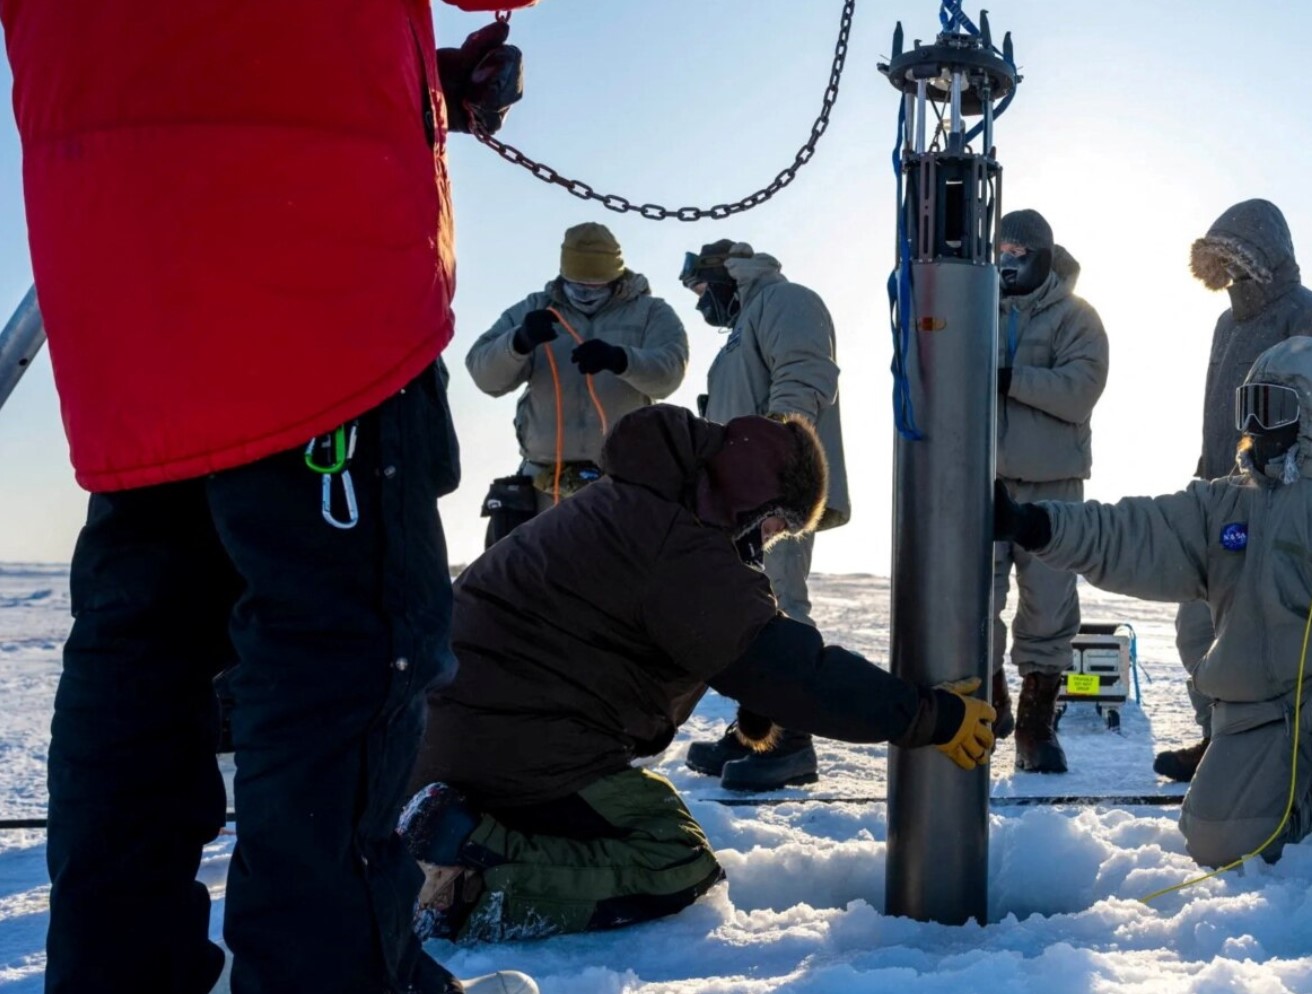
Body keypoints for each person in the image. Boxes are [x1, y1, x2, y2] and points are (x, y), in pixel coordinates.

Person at [2, 3, 540, 992]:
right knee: (331, 680)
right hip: (315, 282)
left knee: (140, 672)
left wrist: (407, 78)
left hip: (116, 271)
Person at [404, 404, 995, 940]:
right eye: (776, 527)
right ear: (757, 500)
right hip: (508, 743)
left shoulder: (644, 502)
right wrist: (928, 715)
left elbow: (731, 635)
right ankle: (467, 878)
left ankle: (453, 832)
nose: (767, 543)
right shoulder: (676, 541)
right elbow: (793, 673)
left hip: (454, 734)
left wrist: (756, 676)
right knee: (673, 856)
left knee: (630, 815)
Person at [994, 336, 1312, 866]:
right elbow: (1131, 532)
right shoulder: (1222, 505)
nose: (1256, 425)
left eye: (1274, 408)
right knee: (1218, 845)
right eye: (1249, 406)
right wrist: (1034, 524)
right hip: (1259, 710)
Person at [1158, 198, 1312, 784]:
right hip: (1221, 493)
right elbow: (1215, 410)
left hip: (1286, 503)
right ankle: (1218, 741)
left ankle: (1309, 766)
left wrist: (1304, 472)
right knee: (1198, 629)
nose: (1232, 269)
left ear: (1270, 256)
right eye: (1221, 258)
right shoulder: (1226, 323)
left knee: (1281, 638)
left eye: (1240, 257)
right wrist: (1207, 472)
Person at [677, 240, 853, 791]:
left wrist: (776, 458)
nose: (700, 302)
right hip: (744, 493)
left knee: (781, 603)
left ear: (725, 275)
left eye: (702, 289)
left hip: (780, 487)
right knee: (751, 607)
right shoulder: (746, 322)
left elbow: (804, 376)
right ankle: (758, 730)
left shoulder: (786, 300)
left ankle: (791, 742)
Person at [466, 222, 689, 546]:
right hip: (543, 487)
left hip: (622, 486)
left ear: (615, 278)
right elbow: (482, 373)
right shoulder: (535, 308)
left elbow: (669, 373)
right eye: (577, 286)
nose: (585, 295)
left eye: (595, 287)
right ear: (563, 276)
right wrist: (518, 342)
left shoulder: (652, 313)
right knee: (532, 589)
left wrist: (620, 359)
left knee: (617, 587)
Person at [991, 209, 1109, 773]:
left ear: (1043, 256)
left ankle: (1037, 725)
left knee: (1048, 606)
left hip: (1053, 485)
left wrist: (1009, 378)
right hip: (980, 480)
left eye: (1020, 252)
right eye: (1001, 250)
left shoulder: (1077, 318)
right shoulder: (973, 310)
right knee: (969, 599)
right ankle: (988, 703)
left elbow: (1079, 391)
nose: (1008, 261)